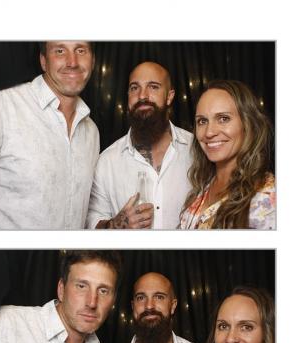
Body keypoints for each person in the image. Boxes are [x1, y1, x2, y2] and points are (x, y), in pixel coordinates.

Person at [0, 42, 98, 230]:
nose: (72, 62)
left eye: (81, 50)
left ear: (93, 61)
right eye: (60, 51)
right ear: (43, 61)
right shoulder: (1, 107)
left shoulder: (92, 132)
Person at [87, 62, 193, 230]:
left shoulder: (197, 150)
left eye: (153, 87)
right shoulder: (107, 161)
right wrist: (116, 225)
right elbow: (92, 222)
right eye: (134, 88)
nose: (142, 95)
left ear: (169, 96)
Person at [179, 80, 275, 230]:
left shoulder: (266, 197)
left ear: (248, 124)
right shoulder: (204, 185)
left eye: (223, 119)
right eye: (202, 121)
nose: (209, 132)